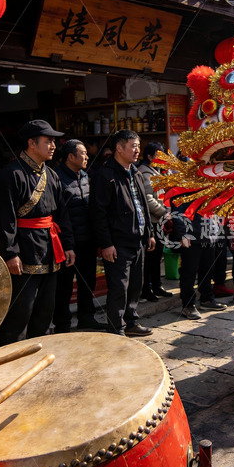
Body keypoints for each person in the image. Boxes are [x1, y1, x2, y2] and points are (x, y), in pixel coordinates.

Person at [0, 120, 75, 345]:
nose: (53, 146)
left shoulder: (51, 175)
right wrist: (10, 253)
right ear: (31, 143)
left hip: (50, 247)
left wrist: (68, 244)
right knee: (21, 310)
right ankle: (12, 355)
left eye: (54, 141)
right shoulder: (10, 175)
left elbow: (61, 213)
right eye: (48, 141)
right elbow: (2, 218)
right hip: (23, 250)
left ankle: (39, 351)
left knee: (46, 309)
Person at [90, 130, 155, 337]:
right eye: (133, 146)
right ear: (119, 148)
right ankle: (116, 327)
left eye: (138, 146)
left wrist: (149, 233)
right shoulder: (105, 175)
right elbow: (98, 213)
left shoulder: (135, 172)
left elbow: (143, 206)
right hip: (117, 243)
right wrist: (106, 243)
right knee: (118, 288)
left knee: (136, 285)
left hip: (138, 239)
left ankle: (131, 321)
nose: (137, 150)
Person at [53, 139, 100, 332]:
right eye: (83, 153)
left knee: (88, 281)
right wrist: (67, 243)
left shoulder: (86, 176)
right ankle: (62, 324)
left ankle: (86, 317)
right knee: (63, 286)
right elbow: (58, 215)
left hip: (87, 239)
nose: (87, 157)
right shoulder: (56, 178)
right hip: (66, 242)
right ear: (71, 157)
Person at [137, 141, 173, 302]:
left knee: (158, 255)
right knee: (150, 256)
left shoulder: (158, 172)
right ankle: (147, 288)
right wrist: (164, 212)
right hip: (152, 221)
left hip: (160, 219)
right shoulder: (145, 173)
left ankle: (157, 285)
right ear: (149, 157)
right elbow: (148, 199)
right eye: (158, 155)